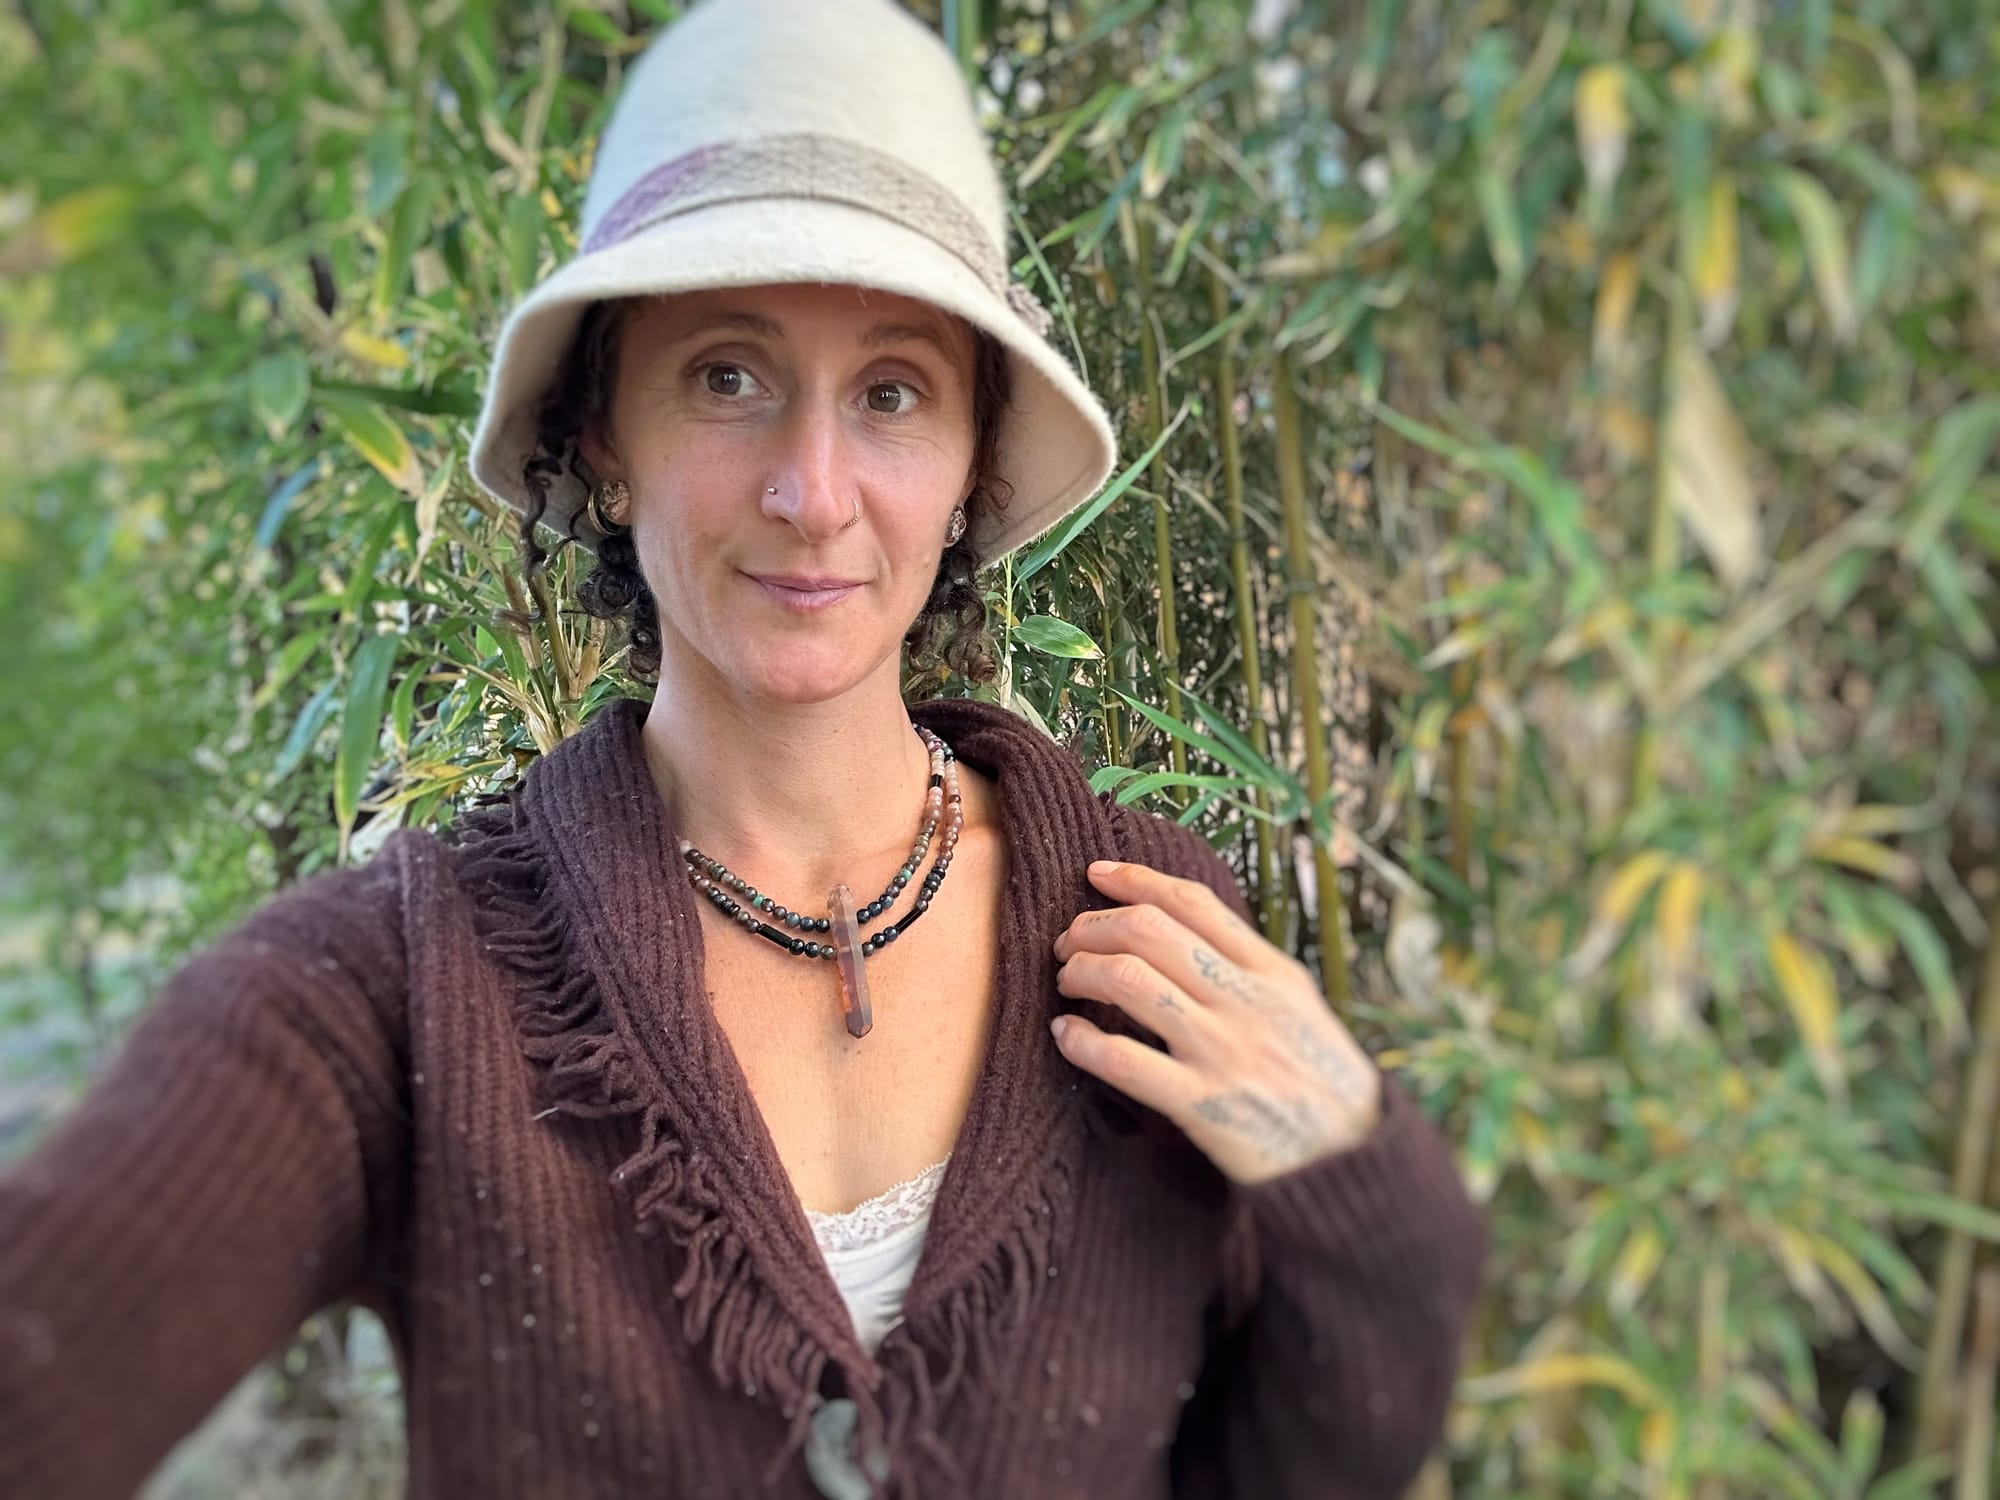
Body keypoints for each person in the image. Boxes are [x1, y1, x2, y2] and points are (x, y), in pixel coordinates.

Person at [0, 0, 1487, 1496]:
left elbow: (1305, 1456)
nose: (813, 491)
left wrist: (1364, 1186)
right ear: (603, 436)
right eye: (727, 375)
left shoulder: (1143, 929)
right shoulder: (408, 987)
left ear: (971, 463)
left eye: (893, 393)